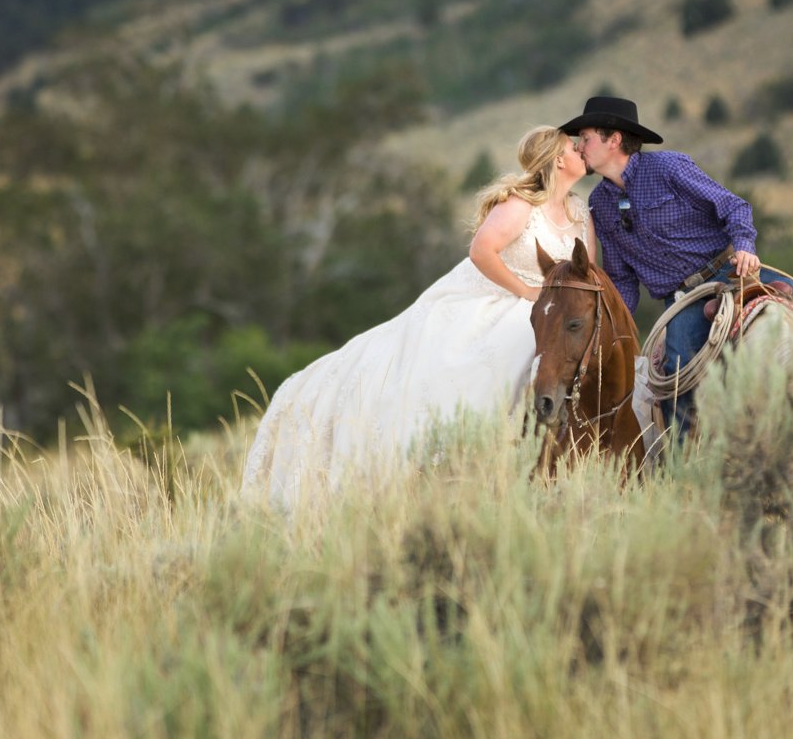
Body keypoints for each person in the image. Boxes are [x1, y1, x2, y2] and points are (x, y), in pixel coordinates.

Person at [241, 125, 593, 510]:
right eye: (575, 147)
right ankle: (483, 461)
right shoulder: (521, 206)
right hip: (497, 296)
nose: (582, 151)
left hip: (553, 309)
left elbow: (585, 274)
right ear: (559, 159)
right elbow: (482, 251)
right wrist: (525, 292)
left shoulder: (580, 212)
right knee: (511, 349)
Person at [560, 95, 793, 439]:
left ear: (613, 139)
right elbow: (622, 278)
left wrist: (746, 248)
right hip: (683, 300)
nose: (579, 146)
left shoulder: (669, 168)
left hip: (730, 271)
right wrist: (612, 323)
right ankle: (684, 466)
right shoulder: (599, 204)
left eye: (585, 138)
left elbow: (733, 206)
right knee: (675, 377)